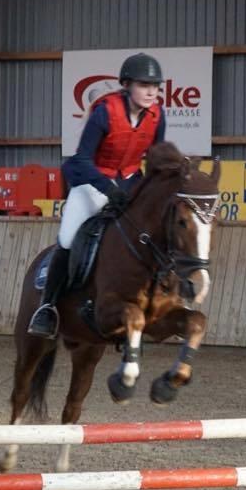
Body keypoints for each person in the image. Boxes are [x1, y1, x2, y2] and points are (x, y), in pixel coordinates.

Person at [27, 52, 168, 339]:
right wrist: (108, 189)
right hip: (91, 183)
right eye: (144, 84)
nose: (151, 91)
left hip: (129, 181)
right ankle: (47, 307)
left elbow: (156, 157)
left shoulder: (157, 115)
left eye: (155, 85)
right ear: (127, 85)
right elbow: (81, 160)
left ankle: (158, 297)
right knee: (67, 238)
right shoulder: (105, 112)